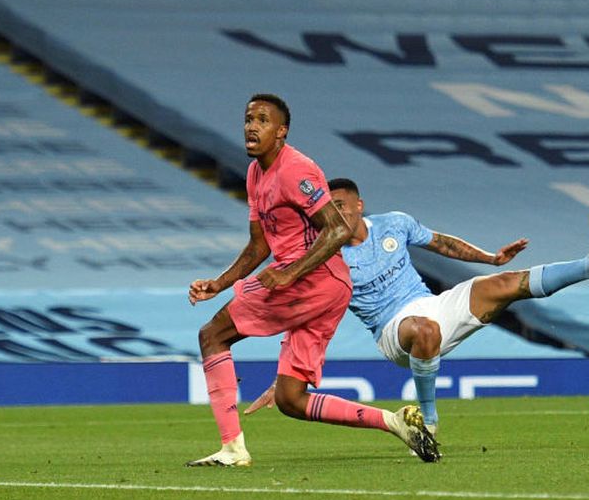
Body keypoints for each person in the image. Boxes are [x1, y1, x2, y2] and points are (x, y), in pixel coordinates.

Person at [240, 178, 589, 437]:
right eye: (329, 209)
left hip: (433, 305)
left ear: (359, 205)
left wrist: (490, 259)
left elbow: (441, 243)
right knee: (423, 329)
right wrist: (284, 376)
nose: (335, 215)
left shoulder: (393, 224)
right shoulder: (325, 257)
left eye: (341, 206)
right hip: (392, 332)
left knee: (505, 284)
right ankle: (429, 419)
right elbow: (310, 316)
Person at [186, 94, 440, 467]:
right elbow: (259, 245)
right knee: (291, 399)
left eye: (263, 120)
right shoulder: (256, 173)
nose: (252, 127)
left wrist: (290, 272)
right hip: (325, 286)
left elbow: (337, 228)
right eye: (248, 119)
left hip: (309, 281)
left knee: (212, 335)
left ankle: (232, 448)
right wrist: (219, 283)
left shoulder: (296, 170)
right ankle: (393, 422)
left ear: (281, 132)